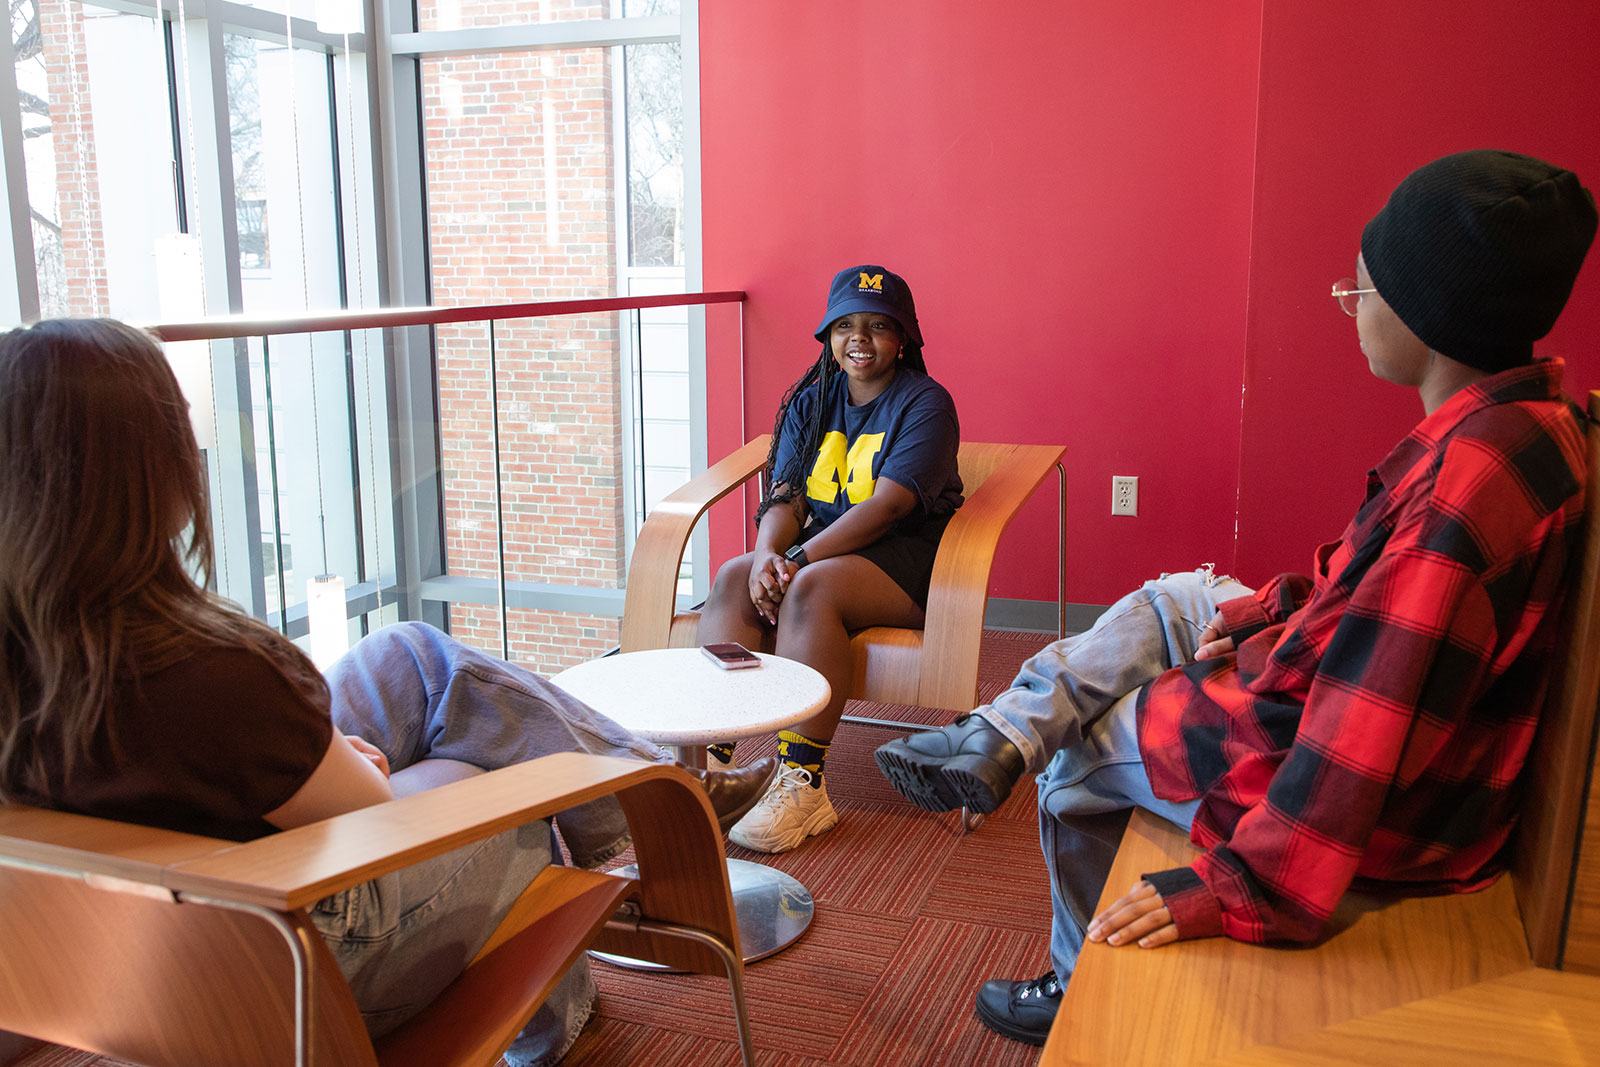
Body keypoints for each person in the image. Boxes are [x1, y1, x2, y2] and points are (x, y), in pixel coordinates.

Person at [874, 149, 1598, 1045]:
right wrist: (1267, 614)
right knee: (1181, 594)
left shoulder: (1463, 493)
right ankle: (1000, 731)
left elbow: (1364, 730)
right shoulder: (1533, 421)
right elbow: (1367, 601)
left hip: (1352, 778)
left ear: (1432, 310)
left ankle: (1071, 972)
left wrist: (1240, 886)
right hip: (1337, 686)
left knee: (1078, 758)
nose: (1350, 304)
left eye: (1363, 287)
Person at [0, 317, 780, 1065]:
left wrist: (325, 752)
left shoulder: (40, 654)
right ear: (146, 464)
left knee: (411, 656)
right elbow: (370, 822)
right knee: (505, 786)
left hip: (137, 950)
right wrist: (355, 762)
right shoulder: (206, 671)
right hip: (288, 955)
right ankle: (571, 1008)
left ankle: (659, 786)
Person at [699, 265, 964, 853]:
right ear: (827, 336)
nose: (859, 339)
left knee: (811, 587)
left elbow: (891, 506)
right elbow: (786, 494)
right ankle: (712, 765)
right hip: (818, 550)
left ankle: (803, 782)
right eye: (844, 325)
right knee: (734, 576)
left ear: (904, 339)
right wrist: (770, 552)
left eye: (877, 326)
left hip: (910, 562)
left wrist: (796, 559)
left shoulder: (926, 403)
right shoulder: (812, 403)